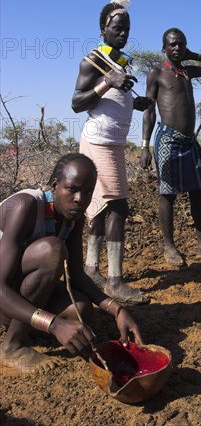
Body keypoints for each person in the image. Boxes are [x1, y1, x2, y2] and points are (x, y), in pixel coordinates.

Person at [0, 153, 142, 375]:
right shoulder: (24, 206)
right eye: (72, 189)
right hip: (3, 294)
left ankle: (28, 322)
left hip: (18, 292)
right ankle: (12, 346)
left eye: (87, 192)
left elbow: (76, 275)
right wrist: (55, 324)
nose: (80, 199)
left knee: (81, 312)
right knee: (52, 250)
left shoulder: (72, 219)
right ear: (55, 185)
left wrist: (117, 309)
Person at [72, 0, 150, 304]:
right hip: (98, 143)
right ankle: (115, 281)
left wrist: (136, 102)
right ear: (103, 28)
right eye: (118, 28)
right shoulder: (93, 61)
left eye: (127, 29)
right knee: (117, 206)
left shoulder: (121, 61)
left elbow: (116, 99)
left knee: (103, 209)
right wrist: (107, 82)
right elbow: (77, 103)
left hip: (113, 144)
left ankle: (91, 269)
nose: (123, 33)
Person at [140, 28, 201, 266]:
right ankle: (169, 247)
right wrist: (144, 147)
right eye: (173, 45)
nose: (177, 48)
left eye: (181, 44)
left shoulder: (187, 72)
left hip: (189, 142)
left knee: (197, 192)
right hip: (168, 139)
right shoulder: (156, 73)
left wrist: (194, 55)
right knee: (167, 195)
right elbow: (149, 111)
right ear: (164, 48)